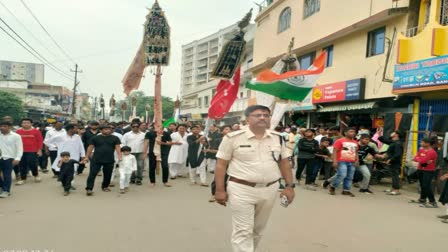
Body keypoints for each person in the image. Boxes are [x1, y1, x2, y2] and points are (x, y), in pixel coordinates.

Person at [214, 105, 295, 252]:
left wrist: (289, 186)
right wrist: (219, 190)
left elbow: (284, 162)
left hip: (270, 189)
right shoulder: (232, 138)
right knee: (243, 230)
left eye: (266, 115)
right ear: (247, 119)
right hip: (241, 189)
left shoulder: (277, 138)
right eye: (257, 115)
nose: (263, 117)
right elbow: (221, 164)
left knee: (258, 229)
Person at [83, 125, 122, 196]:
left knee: (108, 174)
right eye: (105, 129)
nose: (108, 131)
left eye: (109, 129)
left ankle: (105, 186)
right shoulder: (95, 138)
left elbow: (118, 147)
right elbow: (90, 147)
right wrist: (86, 157)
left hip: (109, 159)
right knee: (92, 174)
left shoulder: (115, 138)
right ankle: (89, 188)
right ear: (101, 131)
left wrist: (120, 156)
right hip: (96, 159)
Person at [50, 124, 85, 188]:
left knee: (73, 170)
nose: (77, 130)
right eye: (75, 128)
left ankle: (69, 184)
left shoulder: (77, 137)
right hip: (64, 157)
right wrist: (54, 146)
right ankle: (65, 182)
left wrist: (83, 155)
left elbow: (81, 146)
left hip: (75, 156)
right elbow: (49, 141)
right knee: (64, 170)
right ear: (70, 129)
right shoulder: (61, 136)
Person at [329, 127, 359, 197]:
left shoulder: (355, 142)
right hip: (341, 161)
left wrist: (357, 160)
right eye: (351, 131)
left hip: (352, 161)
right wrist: (334, 161)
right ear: (345, 133)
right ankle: (333, 186)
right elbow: (335, 151)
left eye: (354, 132)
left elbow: (356, 152)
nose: (353, 133)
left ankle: (346, 190)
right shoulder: (340, 141)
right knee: (342, 175)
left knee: (350, 177)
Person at [409, 138, 438, 208]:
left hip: (428, 171)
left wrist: (419, 159)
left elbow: (423, 161)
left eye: (422, 142)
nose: (421, 143)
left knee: (426, 186)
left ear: (427, 143)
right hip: (420, 169)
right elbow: (416, 157)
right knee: (422, 185)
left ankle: (433, 202)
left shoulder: (432, 152)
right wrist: (419, 159)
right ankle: (422, 199)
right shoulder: (421, 150)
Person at [16, 118, 44, 185]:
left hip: (32, 150)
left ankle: (36, 175)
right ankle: (23, 179)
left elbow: (40, 141)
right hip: (21, 151)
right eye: (24, 123)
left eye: (27, 123)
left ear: (31, 124)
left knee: (32, 163)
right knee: (22, 165)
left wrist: (39, 150)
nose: (26, 124)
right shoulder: (18, 132)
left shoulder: (36, 131)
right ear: (21, 124)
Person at [0, 121, 23, 198]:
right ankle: (1, 187)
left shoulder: (16, 136)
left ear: (10, 127)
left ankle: (6, 190)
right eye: (1, 126)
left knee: (7, 175)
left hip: (9, 158)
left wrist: (17, 158)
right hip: (0, 157)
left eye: (4, 126)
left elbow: (20, 148)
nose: (2, 128)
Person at [377, 131, 403, 195]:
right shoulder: (393, 142)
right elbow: (383, 140)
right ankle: (393, 188)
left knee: (395, 176)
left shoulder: (398, 143)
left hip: (395, 162)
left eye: (393, 132)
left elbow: (398, 154)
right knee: (393, 175)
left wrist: (391, 159)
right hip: (391, 161)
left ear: (396, 135)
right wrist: (380, 134)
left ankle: (396, 190)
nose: (391, 133)